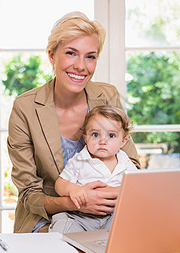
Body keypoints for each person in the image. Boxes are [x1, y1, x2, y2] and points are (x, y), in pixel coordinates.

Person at [7, 11, 140, 233]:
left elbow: (131, 165)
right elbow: (30, 193)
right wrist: (78, 201)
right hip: (49, 217)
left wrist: (105, 199)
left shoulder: (107, 95)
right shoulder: (25, 108)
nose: (81, 66)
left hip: (108, 212)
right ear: (52, 56)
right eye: (71, 53)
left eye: (90, 56)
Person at [49, 105, 137, 233]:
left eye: (111, 136)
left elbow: (136, 187)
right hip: (81, 217)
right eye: (95, 134)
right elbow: (60, 184)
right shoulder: (80, 160)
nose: (102, 141)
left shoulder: (125, 161)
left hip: (112, 217)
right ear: (85, 138)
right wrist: (73, 189)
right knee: (64, 223)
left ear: (123, 141)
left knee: (131, 221)